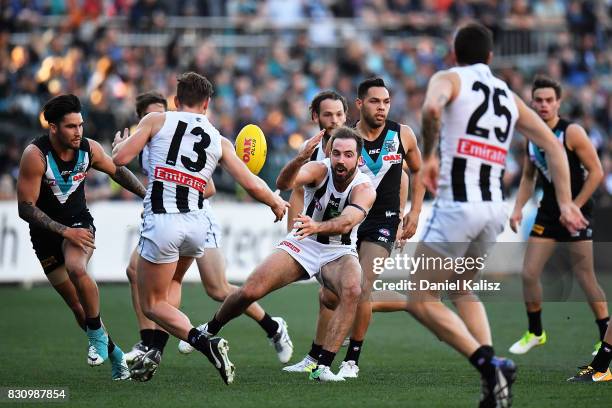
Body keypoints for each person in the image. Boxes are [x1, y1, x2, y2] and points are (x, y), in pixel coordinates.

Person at [405, 23, 587, 407]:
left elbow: (432, 107)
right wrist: (568, 202)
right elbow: (553, 149)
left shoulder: (449, 77)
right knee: (460, 288)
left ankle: (489, 365)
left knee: (420, 300)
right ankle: (495, 380)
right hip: (494, 212)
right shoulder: (507, 94)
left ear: (455, 53)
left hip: (458, 206)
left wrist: (433, 153)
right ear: (490, 57)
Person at [112, 72, 289, 384]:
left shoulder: (156, 121)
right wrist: (275, 202)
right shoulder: (218, 139)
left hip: (163, 221)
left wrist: (119, 145)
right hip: (196, 226)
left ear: (176, 101)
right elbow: (249, 181)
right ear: (207, 104)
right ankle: (159, 350)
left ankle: (202, 341)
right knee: (174, 285)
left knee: (152, 304)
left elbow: (120, 159)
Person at [199, 127, 376, 382]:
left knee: (352, 289)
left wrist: (318, 226)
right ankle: (209, 329)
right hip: (303, 243)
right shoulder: (319, 169)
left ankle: (322, 367)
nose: (341, 159)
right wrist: (300, 158)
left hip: (338, 250)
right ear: (329, 153)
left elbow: (348, 221)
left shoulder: (365, 188)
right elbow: (283, 184)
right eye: (336, 153)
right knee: (250, 291)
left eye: (348, 155)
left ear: (358, 160)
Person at [283, 78, 424, 378]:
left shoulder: (403, 134)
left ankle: (350, 360)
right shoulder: (344, 142)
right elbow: (311, 184)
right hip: (348, 221)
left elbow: (414, 171)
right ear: (359, 105)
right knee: (328, 297)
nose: (382, 108)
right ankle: (313, 356)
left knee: (361, 288)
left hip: (381, 220)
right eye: (375, 101)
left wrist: (411, 212)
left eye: (386, 102)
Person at [17, 94, 147, 380]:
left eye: (80, 125)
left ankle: (97, 339)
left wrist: (148, 196)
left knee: (77, 267)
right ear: (53, 128)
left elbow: (118, 172)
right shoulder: (35, 155)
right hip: (45, 235)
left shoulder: (89, 149)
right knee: (79, 309)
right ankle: (113, 353)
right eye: (70, 127)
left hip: (80, 224)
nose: (78, 132)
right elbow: (25, 208)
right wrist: (63, 231)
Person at [508, 76, 609, 356]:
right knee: (529, 274)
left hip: (575, 214)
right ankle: (536, 332)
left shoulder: (571, 132)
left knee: (585, 277)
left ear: (558, 103)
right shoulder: (532, 136)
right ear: (532, 102)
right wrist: (517, 209)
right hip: (548, 213)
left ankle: (605, 338)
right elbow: (529, 178)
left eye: (549, 100)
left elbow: (597, 171)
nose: (543, 105)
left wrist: (573, 207)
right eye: (538, 100)